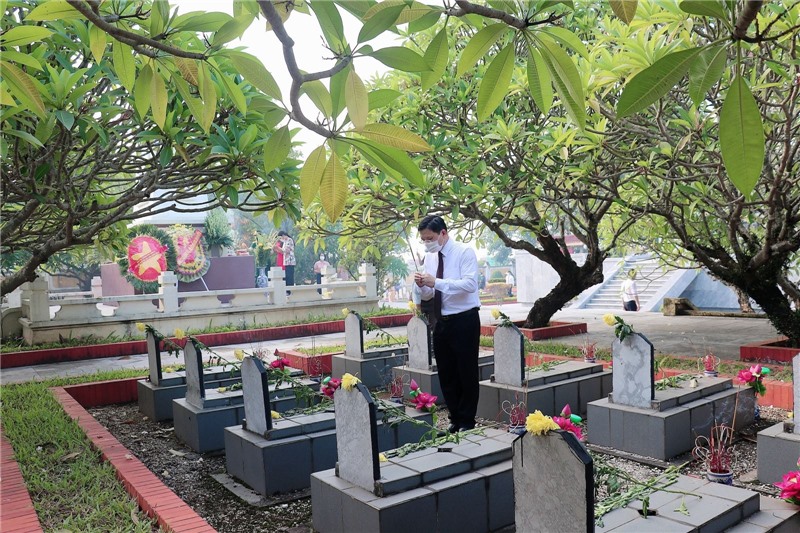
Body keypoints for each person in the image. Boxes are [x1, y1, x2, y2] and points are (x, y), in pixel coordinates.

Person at [414, 215, 481, 433]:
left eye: (430, 238)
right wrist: (422, 285)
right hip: (441, 320)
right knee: (446, 372)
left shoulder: (464, 252)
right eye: (424, 240)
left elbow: (470, 284)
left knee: (466, 371)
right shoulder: (430, 257)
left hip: (464, 319)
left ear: (443, 233)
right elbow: (429, 294)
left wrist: (436, 282)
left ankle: (467, 421)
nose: (427, 243)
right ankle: (455, 418)